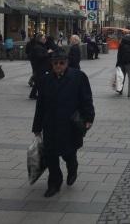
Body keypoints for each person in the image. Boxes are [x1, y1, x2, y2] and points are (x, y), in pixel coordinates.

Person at [32, 48, 95, 198]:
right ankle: (54, 183)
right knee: (50, 155)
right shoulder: (46, 80)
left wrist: (88, 118)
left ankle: (72, 168)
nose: (58, 66)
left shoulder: (78, 77)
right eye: (55, 63)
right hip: (51, 124)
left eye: (61, 63)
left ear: (67, 63)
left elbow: (86, 99)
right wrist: (37, 126)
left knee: (68, 153)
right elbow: (40, 104)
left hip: (70, 124)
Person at [30, 34, 52, 100]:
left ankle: (33, 94)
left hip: (42, 66)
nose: (45, 39)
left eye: (45, 38)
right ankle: (38, 95)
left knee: (38, 81)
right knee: (39, 81)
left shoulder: (41, 46)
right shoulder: (37, 47)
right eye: (43, 38)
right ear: (40, 39)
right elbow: (40, 56)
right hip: (40, 66)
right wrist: (48, 52)